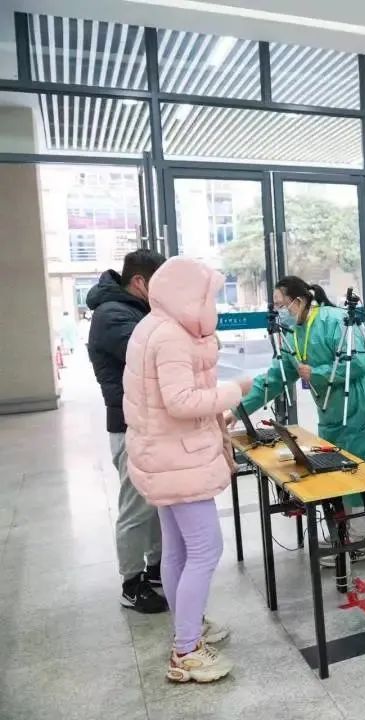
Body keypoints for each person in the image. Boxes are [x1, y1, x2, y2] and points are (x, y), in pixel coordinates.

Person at [123, 257, 253, 683]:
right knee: (205, 549)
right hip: (179, 458)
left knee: (177, 549)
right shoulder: (172, 337)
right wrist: (233, 391)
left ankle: (189, 627)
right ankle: (186, 651)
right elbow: (180, 402)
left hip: (163, 457)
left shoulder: (152, 326)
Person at [232, 276, 365, 562]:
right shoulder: (292, 335)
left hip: (361, 408)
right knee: (333, 475)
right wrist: (237, 411)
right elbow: (275, 379)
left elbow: (360, 362)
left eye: (281, 304)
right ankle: (343, 533)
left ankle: (356, 540)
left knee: (358, 476)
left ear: (299, 300)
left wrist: (317, 373)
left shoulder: (335, 320)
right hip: (330, 412)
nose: (279, 311)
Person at [86, 249, 169, 614]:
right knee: (136, 508)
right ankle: (131, 583)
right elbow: (152, 357)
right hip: (130, 425)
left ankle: (155, 569)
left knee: (154, 505)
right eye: (160, 284)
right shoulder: (112, 315)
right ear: (139, 281)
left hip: (148, 422)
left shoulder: (135, 310)